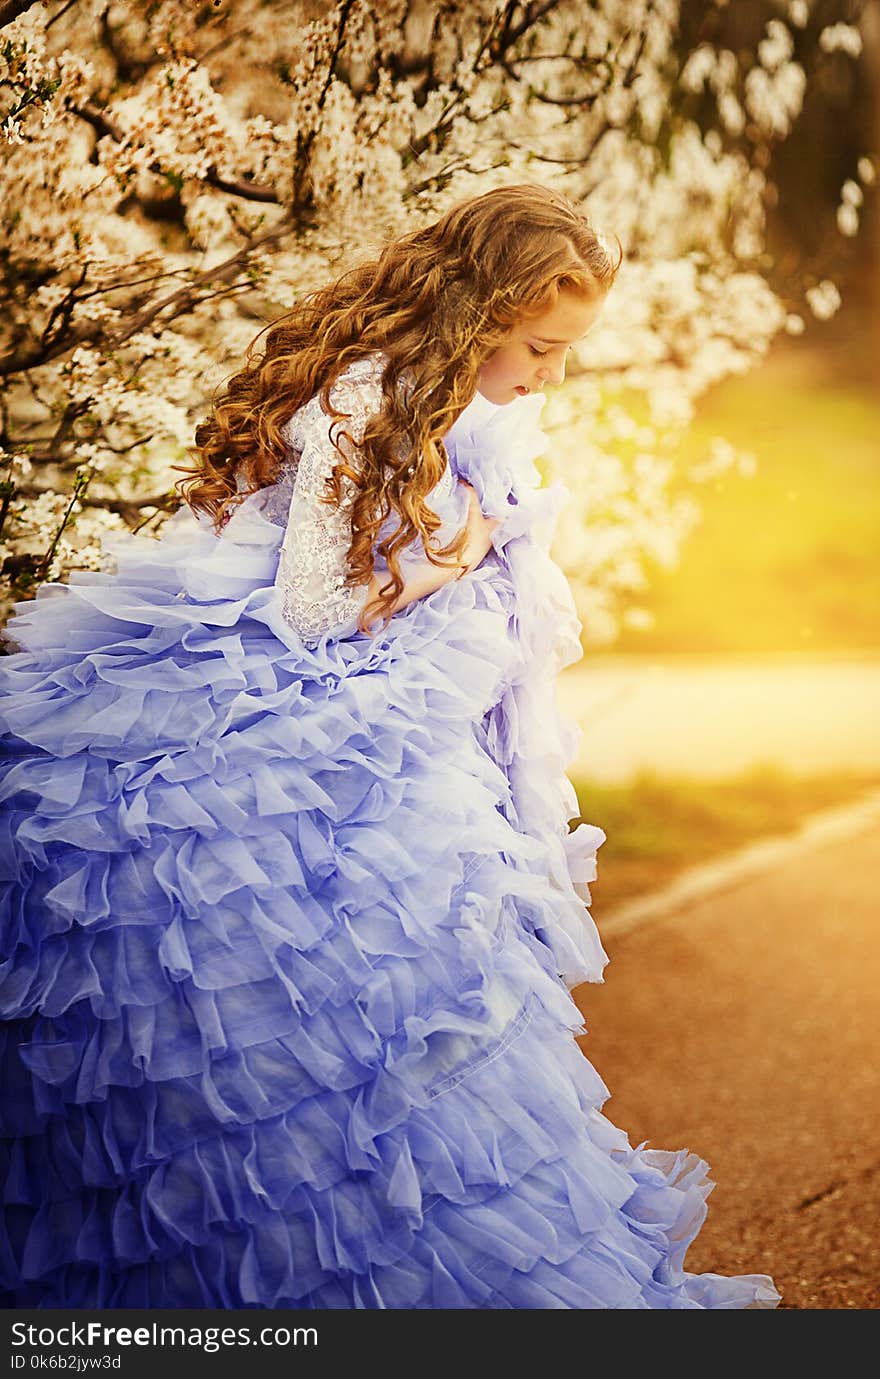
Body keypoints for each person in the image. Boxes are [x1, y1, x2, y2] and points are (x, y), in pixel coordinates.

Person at [0, 184, 780, 1309]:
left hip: (379, 693)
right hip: (281, 693)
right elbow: (312, 608)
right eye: (540, 346)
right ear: (481, 311)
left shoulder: (455, 393)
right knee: (284, 973)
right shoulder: (366, 391)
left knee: (416, 981)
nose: (551, 371)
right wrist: (451, 558)